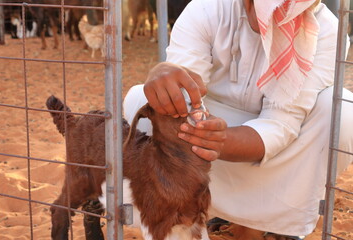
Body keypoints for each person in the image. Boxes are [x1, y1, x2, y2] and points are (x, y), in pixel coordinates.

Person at [123, 0, 353, 239]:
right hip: (202, 136)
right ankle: (184, 221)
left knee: (343, 114)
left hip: (273, 147)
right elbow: (185, 93)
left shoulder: (326, 31)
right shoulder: (206, 9)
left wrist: (221, 141)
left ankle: (263, 222)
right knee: (141, 98)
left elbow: (282, 123)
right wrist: (165, 76)